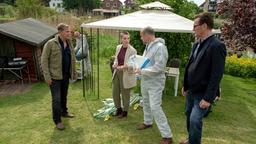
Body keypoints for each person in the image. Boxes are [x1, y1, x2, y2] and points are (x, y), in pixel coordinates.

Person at [180, 13, 226, 144]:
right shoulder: (196, 44)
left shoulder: (217, 46)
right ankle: (191, 139)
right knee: (189, 116)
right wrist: (186, 85)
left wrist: (208, 97)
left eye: (195, 26)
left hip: (203, 93)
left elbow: (217, 74)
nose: (193, 29)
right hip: (191, 90)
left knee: (195, 119)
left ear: (205, 26)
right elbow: (190, 65)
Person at [135, 27, 173, 144]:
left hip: (155, 83)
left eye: (142, 36)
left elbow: (159, 67)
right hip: (146, 80)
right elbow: (146, 62)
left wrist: (143, 71)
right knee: (145, 102)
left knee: (155, 107)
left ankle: (167, 135)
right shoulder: (148, 46)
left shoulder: (160, 47)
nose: (141, 38)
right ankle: (148, 122)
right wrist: (139, 69)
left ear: (147, 35)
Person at [41, 23, 77, 130]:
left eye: (69, 31)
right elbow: (44, 60)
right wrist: (47, 77)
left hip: (65, 76)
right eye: (67, 31)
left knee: (64, 96)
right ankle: (57, 121)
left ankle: (64, 112)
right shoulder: (50, 44)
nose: (69, 33)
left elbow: (72, 59)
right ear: (60, 32)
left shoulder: (69, 43)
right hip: (54, 77)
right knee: (56, 99)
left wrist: (73, 73)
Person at [112, 31, 137, 118]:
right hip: (117, 72)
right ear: (121, 39)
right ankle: (118, 109)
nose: (127, 40)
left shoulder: (133, 50)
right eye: (124, 38)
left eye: (128, 38)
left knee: (125, 93)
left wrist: (123, 67)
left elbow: (133, 65)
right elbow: (116, 59)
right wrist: (115, 64)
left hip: (126, 73)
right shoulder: (118, 47)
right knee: (115, 91)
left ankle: (125, 111)